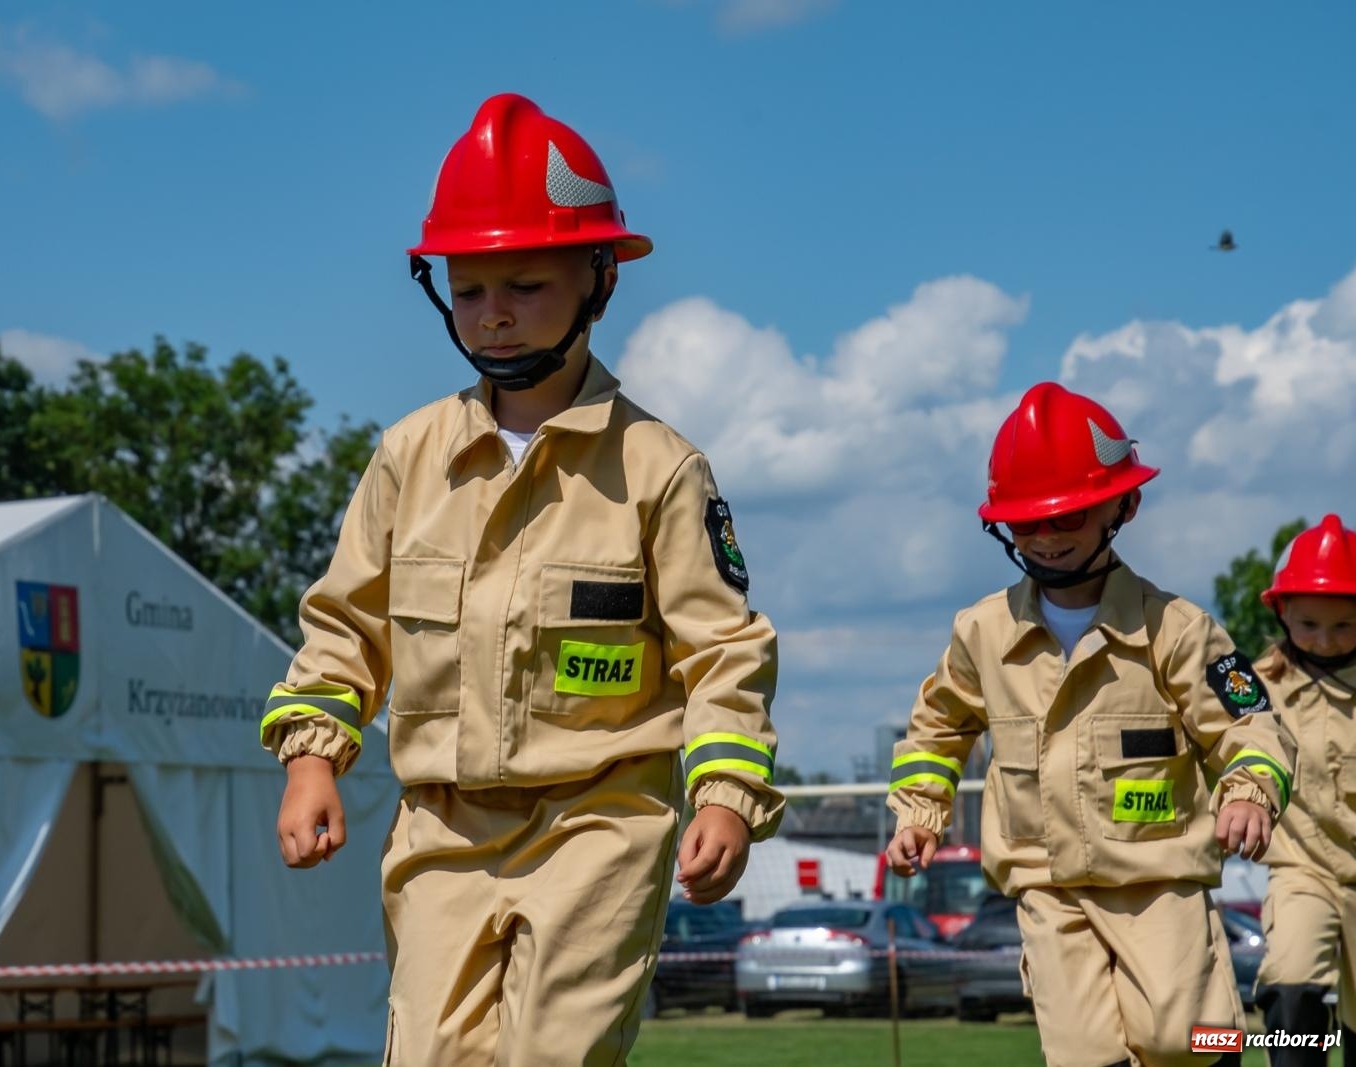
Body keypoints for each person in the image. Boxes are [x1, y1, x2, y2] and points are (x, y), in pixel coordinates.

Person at [259, 93, 784, 1066]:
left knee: (551, 1052)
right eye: (469, 289)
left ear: (599, 279)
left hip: (598, 825)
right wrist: (310, 757)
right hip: (439, 831)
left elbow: (722, 650)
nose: (494, 313)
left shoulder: (658, 468)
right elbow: (344, 627)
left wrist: (724, 790)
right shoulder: (407, 457)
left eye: (527, 283)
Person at [884, 381, 1295, 1067]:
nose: (1045, 537)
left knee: (1181, 1041)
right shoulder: (981, 632)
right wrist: (918, 811)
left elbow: (1251, 725)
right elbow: (937, 728)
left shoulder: (1177, 631)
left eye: (1067, 517)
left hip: (1156, 876)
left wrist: (1251, 786)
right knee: (1082, 1057)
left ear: (1123, 505)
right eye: (1025, 522)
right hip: (1046, 883)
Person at [1252, 515, 1356, 1065]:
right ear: (1282, 611)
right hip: (1301, 870)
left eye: (1344, 625)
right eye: (1310, 623)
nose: (1325, 639)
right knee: (1291, 988)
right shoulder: (1256, 690)